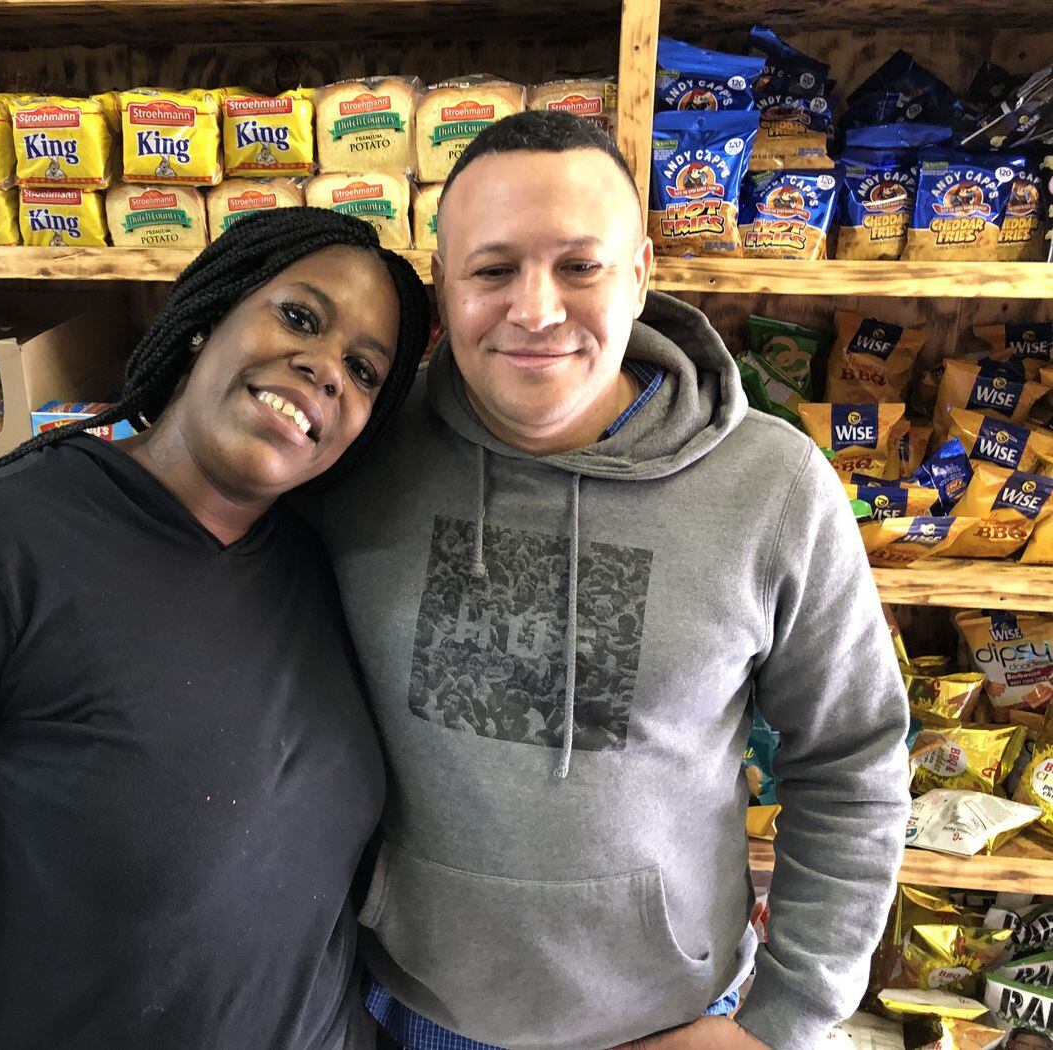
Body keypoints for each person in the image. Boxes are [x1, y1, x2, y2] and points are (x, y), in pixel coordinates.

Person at [0, 208, 430, 1050]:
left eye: (363, 370)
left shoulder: (326, 570)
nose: (325, 367)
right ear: (207, 317)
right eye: (298, 316)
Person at [301, 111, 910, 1049]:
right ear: (441, 284)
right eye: (492, 269)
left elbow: (853, 764)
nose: (535, 309)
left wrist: (780, 1022)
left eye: (579, 266)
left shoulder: (775, 487)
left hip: (669, 1024)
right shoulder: (361, 448)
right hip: (407, 1011)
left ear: (640, 273)